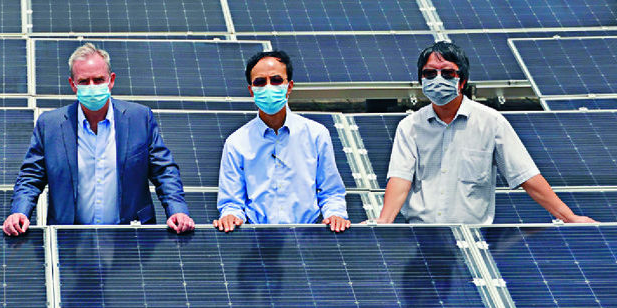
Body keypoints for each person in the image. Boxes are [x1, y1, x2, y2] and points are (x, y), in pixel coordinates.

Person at [375, 42, 595, 224]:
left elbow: (526, 176)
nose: (438, 79)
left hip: (473, 238)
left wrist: (569, 217)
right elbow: (400, 180)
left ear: (461, 81)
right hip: (421, 237)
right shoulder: (410, 126)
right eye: (430, 73)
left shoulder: (491, 122)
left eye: (447, 73)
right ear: (422, 80)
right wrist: (383, 223)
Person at [3, 43, 194, 235]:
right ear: (73, 85)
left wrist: (177, 210)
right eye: (84, 81)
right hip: (69, 239)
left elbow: (164, 171)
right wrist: (20, 211)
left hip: (132, 237)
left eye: (98, 79)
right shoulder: (50, 125)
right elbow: (31, 177)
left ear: (111, 81)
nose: (92, 87)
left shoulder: (140, 119)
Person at [214, 51, 350, 233]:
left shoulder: (316, 135)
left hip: (308, 237)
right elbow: (231, 203)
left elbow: (331, 191)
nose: (268, 87)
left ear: (289, 86)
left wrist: (335, 215)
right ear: (251, 90)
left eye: (276, 80)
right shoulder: (236, 143)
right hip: (257, 240)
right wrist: (230, 216)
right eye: (260, 82)